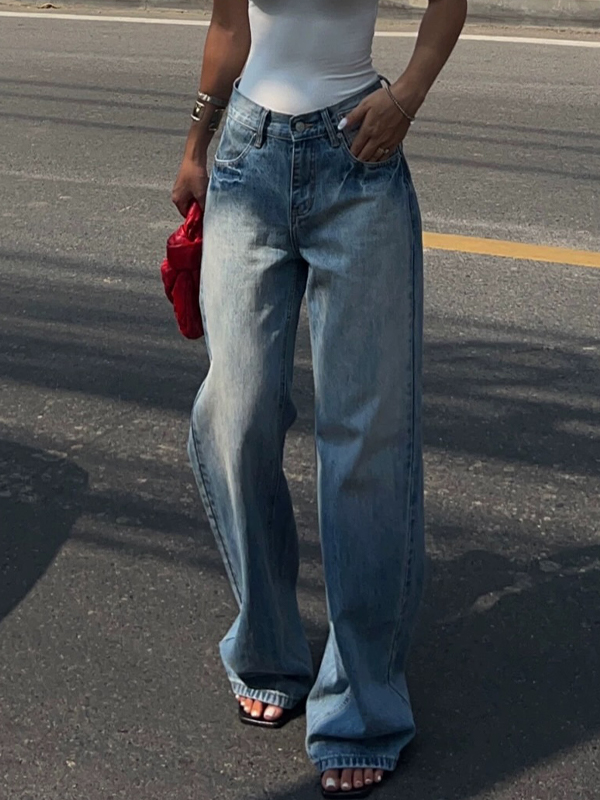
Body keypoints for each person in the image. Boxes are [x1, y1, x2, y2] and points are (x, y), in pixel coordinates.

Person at [172, 0, 466, 795]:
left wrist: (408, 95)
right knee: (236, 419)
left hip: (358, 157)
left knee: (365, 442)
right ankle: (267, 647)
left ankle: (361, 705)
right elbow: (229, 25)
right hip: (247, 160)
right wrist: (196, 144)